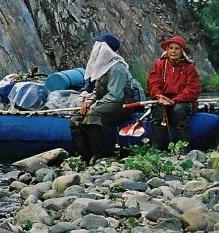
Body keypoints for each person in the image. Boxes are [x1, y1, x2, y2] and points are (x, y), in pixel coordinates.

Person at [70, 32, 133, 162]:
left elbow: (115, 95)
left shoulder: (117, 68)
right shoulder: (102, 68)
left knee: (93, 115)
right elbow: (97, 91)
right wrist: (89, 101)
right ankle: (83, 155)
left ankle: (98, 153)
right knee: (76, 118)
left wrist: (94, 106)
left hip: (121, 104)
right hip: (106, 102)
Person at [147, 35, 202, 150]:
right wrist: (159, 96)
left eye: (177, 48)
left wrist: (175, 100)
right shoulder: (159, 65)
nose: (173, 51)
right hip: (163, 99)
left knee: (178, 110)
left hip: (183, 101)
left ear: (182, 51)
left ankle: (184, 148)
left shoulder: (190, 68)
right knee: (158, 110)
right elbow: (153, 83)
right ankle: (156, 148)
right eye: (170, 48)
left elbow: (192, 89)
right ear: (167, 50)